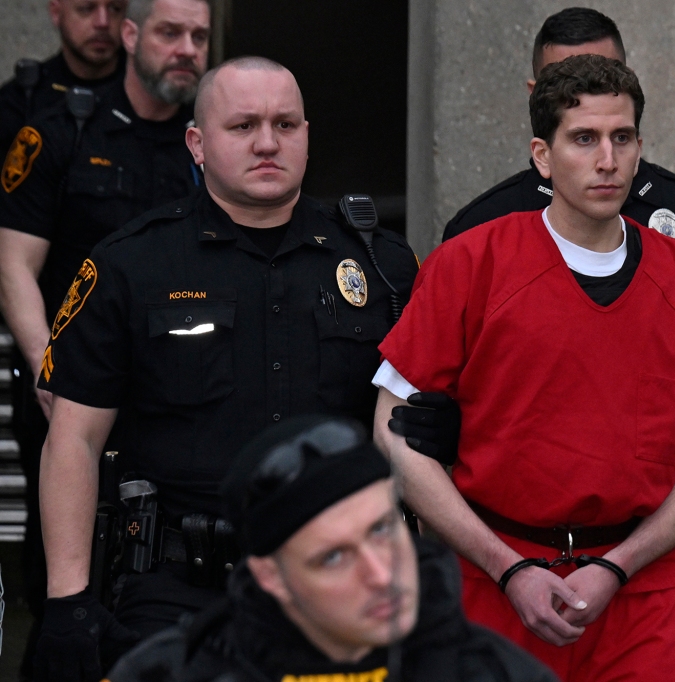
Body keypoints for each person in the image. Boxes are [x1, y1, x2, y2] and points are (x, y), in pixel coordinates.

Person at [32, 56, 421, 681]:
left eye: (285, 124)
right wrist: (69, 600)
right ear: (198, 143)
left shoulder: (382, 269)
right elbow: (72, 440)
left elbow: (413, 430)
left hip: (342, 592)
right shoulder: (132, 265)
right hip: (178, 591)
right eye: (243, 126)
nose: (268, 143)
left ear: (307, 135)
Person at [437, 9, 675, 679]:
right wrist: (491, 559)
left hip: (651, 574)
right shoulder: (478, 235)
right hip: (505, 568)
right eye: (575, 121)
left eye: (619, 131)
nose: (604, 155)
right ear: (539, 125)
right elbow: (421, 421)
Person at [0, 0, 206, 676]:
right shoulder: (60, 130)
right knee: (61, 572)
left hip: (173, 398)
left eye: (199, 37)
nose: (187, 49)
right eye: (171, 33)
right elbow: (15, 266)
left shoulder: (211, 147)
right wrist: (48, 372)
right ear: (130, 35)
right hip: (68, 393)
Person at [107, 415, 560, 682]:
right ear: (271, 577)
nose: (382, 576)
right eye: (334, 557)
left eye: (382, 530)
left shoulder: (495, 672)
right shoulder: (171, 671)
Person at [0, 0, 127, 152]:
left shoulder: (146, 96)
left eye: (115, 9)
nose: (103, 22)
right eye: (87, 9)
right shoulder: (22, 100)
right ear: (56, 13)